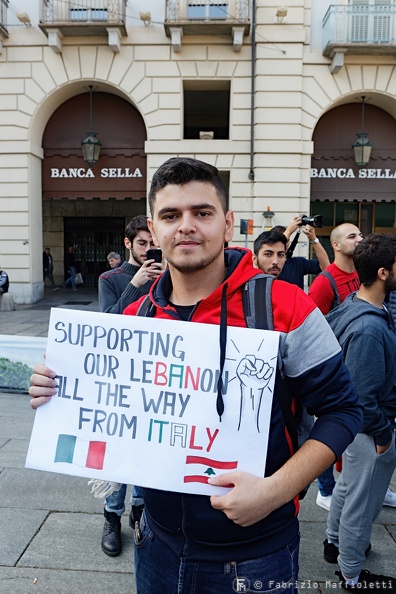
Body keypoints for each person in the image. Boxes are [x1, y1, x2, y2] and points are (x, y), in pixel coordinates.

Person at [29, 157, 363, 594]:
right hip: (156, 545)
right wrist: (58, 388)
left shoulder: (284, 306)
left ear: (226, 224)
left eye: (201, 213)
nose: (186, 226)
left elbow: (344, 410)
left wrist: (275, 491)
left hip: (256, 554)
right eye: (171, 215)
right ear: (154, 229)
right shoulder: (137, 313)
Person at [324, 233, 396, 592]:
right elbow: (363, 400)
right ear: (383, 272)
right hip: (369, 431)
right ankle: (351, 573)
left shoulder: (355, 302)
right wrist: (383, 435)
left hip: (358, 430)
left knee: (349, 488)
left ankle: (333, 542)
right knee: (361, 504)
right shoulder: (368, 327)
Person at [308, 223, 396, 511]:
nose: (359, 239)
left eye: (361, 235)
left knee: (355, 481)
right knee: (352, 494)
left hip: (363, 396)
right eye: (352, 236)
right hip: (355, 403)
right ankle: (325, 489)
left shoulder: (359, 281)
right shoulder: (327, 282)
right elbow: (315, 329)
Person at [98, 215, 164, 557]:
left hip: (153, 377)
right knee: (116, 450)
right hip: (119, 377)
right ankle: (112, 514)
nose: (147, 251)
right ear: (127, 244)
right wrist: (135, 284)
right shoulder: (111, 278)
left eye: (152, 245)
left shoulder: (166, 278)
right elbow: (107, 324)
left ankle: (140, 513)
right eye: (141, 244)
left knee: (145, 447)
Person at [272, 215, 330, 289]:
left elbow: (326, 267)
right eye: (284, 239)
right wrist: (289, 231)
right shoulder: (269, 264)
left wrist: (314, 239)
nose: (285, 244)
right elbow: (275, 248)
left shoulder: (298, 263)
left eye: (288, 240)